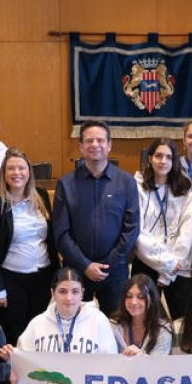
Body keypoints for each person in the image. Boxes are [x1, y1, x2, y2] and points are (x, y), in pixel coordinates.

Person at [53, 120, 140, 314]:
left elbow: (132, 227)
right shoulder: (66, 184)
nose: (95, 145)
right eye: (89, 140)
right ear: (81, 147)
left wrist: (109, 263)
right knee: (74, 325)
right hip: (76, 270)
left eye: (100, 140)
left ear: (109, 145)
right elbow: (61, 233)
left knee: (117, 324)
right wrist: (86, 265)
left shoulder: (126, 182)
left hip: (115, 270)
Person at [0, 148, 57, 345]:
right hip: (10, 280)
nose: (16, 173)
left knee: (37, 332)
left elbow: (50, 239)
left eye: (21, 168)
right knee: (16, 335)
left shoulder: (41, 196)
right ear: (4, 173)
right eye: (11, 168)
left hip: (41, 278)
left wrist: (56, 277)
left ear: (29, 171)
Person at [133, 138, 192, 317]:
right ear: (150, 159)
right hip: (147, 262)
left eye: (169, 157)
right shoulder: (137, 188)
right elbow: (137, 232)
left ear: (174, 161)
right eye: (158, 156)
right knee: (143, 318)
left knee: (183, 320)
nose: (163, 161)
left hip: (179, 265)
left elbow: (187, 233)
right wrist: (165, 263)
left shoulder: (185, 191)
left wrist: (169, 271)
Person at [16, 267, 119, 354]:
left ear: (82, 293)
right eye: (62, 291)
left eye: (75, 292)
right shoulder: (37, 323)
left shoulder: (98, 320)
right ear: (53, 293)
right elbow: (23, 361)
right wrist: (11, 357)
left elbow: (110, 362)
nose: (69, 298)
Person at [110, 274, 173, 355]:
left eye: (141, 297)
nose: (133, 302)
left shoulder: (163, 329)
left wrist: (141, 356)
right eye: (129, 296)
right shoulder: (114, 324)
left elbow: (159, 365)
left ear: (152, 300)